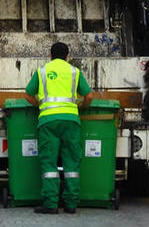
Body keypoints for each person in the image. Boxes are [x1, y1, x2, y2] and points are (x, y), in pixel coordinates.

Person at [24, 42, 93, 214]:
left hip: (48, 121)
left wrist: (40, 105)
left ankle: (51, 204)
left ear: (50, 55)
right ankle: (71, 204)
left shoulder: (42, 71)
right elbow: (89, 95)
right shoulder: (74, 72)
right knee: (71, 162)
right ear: (67, 56)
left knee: (49, 162)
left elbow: (27, 94)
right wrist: (82, 107)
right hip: (71, 121)